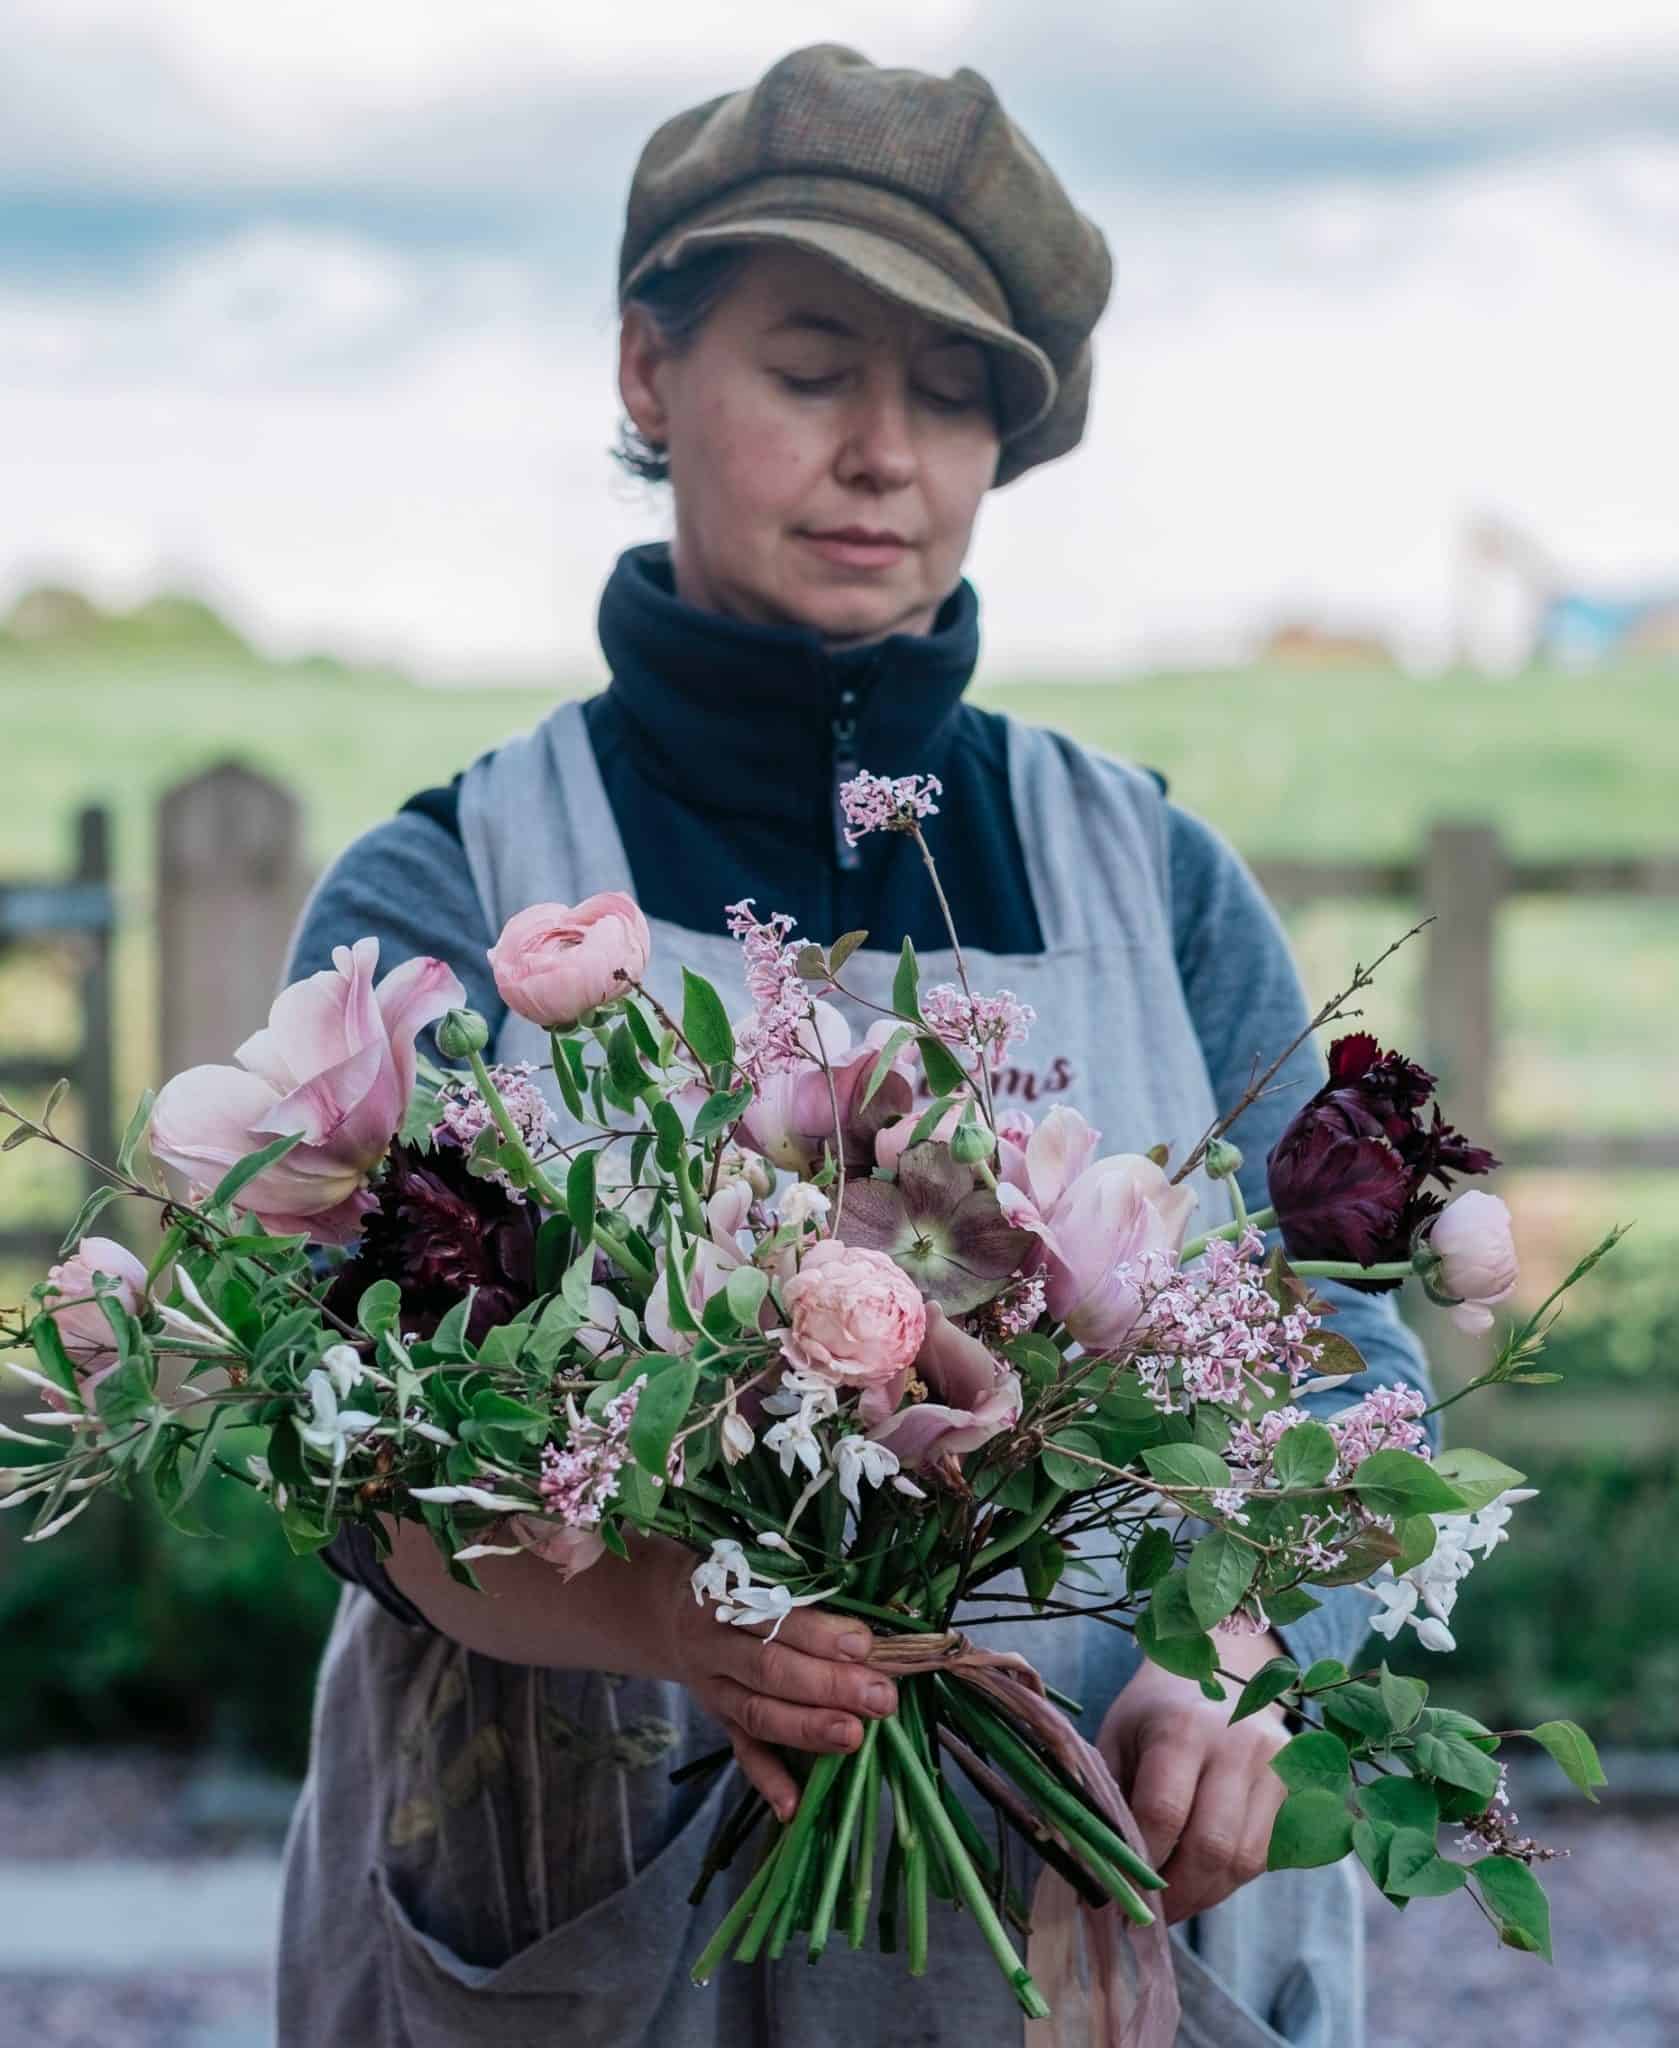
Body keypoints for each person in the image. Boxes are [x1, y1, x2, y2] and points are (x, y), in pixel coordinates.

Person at [275, 45, 1432, 2046]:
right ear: (649, 374)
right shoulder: (456, 887)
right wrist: (651, 1608)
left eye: (955, 391)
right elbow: (337, 1430)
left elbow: (1360, 1367)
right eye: (811, 368)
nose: (886, 451)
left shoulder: (1147, 873)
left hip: (1095, 1926)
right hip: (590, 1940)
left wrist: (1241, 1641)